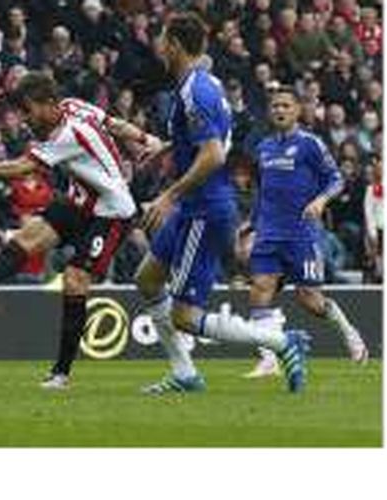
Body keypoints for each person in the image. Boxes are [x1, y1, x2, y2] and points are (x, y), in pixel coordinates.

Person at [0, 71, 161, 389]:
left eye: (29, 110)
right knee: (28, 235)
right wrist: (143, 137)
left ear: (49, 104)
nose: (26, 119)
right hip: (80, 201)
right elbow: (113, 123)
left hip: (112, 212)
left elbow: (20, 167)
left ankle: (61, 373)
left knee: (74, 280)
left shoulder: (66, 134)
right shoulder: (73, 106)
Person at [134, 13, 309, 395]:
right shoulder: (201, 83)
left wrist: (168, 195)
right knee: (147, 279)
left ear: (176, 45)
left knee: (184, 317)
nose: (159, 46)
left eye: (163, 39)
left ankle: (282, 343)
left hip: (204, 209)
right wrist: (161, 148)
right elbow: (207, 138)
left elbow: (213, 154)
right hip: (193, 206)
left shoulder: (197, 90)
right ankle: (184, 374)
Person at [243, 86, 368, 378]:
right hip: (268, 233)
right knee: (260, 289)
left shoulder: (310, 144)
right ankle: (269, 357)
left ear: (298, 110)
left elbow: (336, 178)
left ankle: (350, 333)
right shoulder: (263, 148)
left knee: (309, 299)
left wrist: (321, 200)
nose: (280, 110)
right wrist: (251, 222)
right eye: (275, 106)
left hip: (301, 234)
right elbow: (263, 190)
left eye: (286, 105)